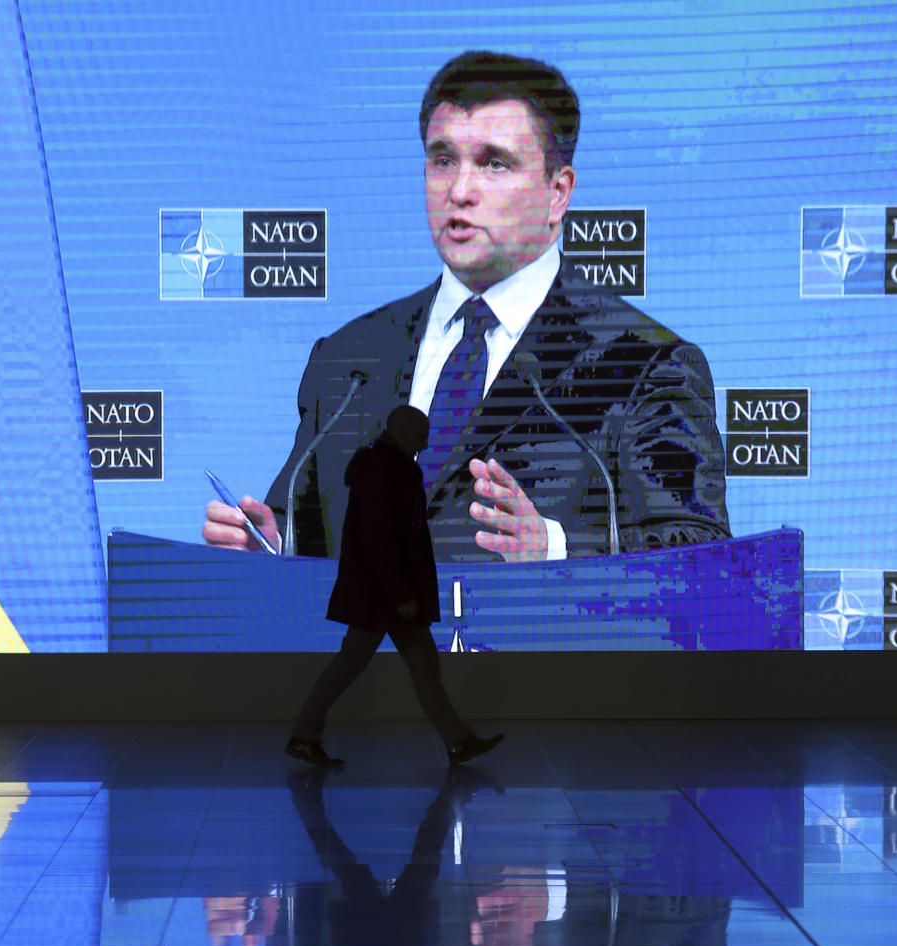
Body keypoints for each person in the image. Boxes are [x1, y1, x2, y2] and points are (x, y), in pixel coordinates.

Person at [203, 49, 729, 570]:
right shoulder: (348, 359)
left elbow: (699, 560)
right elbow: (304, 536)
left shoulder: (644, 365)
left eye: (493, 163)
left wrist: (552, 549)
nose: (460, 190)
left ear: (557, 192)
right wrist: (269, 548)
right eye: (442, 160)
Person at [284, 404, 503, 766]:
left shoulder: (382, 468)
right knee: (371, 665)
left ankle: (458, 739)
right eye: (420, 437)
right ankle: (305, 734)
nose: (425, 444)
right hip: (385, 596)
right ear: (400, 433)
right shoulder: (383, 471)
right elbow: (381, 538)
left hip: (383, 594)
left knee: (411, 665)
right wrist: (401, 593)